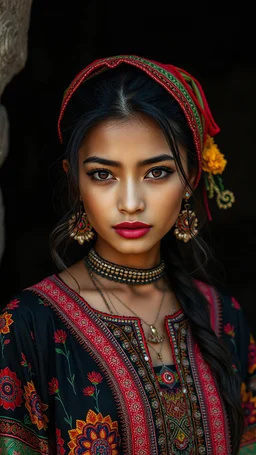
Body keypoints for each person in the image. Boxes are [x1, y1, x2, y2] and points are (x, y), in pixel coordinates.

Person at [0, 55, 255, 455]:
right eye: (103, 174)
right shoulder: (29, 326)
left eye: (157, 172)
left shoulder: (224, 320)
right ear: (75, 181)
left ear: (190, 178)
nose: (131, 202)